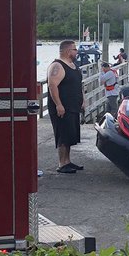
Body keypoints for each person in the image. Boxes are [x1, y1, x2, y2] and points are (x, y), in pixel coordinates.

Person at [47, 39, 85, 174]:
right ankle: (62, 163)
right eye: (75, 49)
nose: (77, 51)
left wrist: (82, 100)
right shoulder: (57, 66)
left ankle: (68, 161)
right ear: (68, 51)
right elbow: (52, 85)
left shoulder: (73, 65)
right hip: (62, 107)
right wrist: (58, 104)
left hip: (73, 106)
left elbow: (79, 85)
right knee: (63, 134)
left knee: (70, 134)